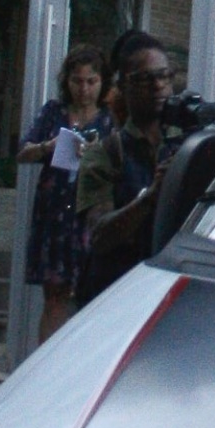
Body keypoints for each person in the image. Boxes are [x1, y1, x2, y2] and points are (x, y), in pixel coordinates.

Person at [76, 32, 184, 304]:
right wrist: (151, 196)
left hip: (169, 291)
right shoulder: (106, 154)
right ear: (123, 86)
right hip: (117, 296)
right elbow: (99, 235)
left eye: (164, 76)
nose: (158, 85)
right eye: (145, 78)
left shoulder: (186, 145)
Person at [16, 46, 112, 342]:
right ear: (67, 82)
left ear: (102, 82)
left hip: (90, 212)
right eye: (77, 81)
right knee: (55, 295)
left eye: (91, 82)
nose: (84, 89)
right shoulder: (54, 112)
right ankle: (45, 361)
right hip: (55, 211)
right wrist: (49, 146)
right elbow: (23, 153)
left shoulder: (109, 120)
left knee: (92, 294)